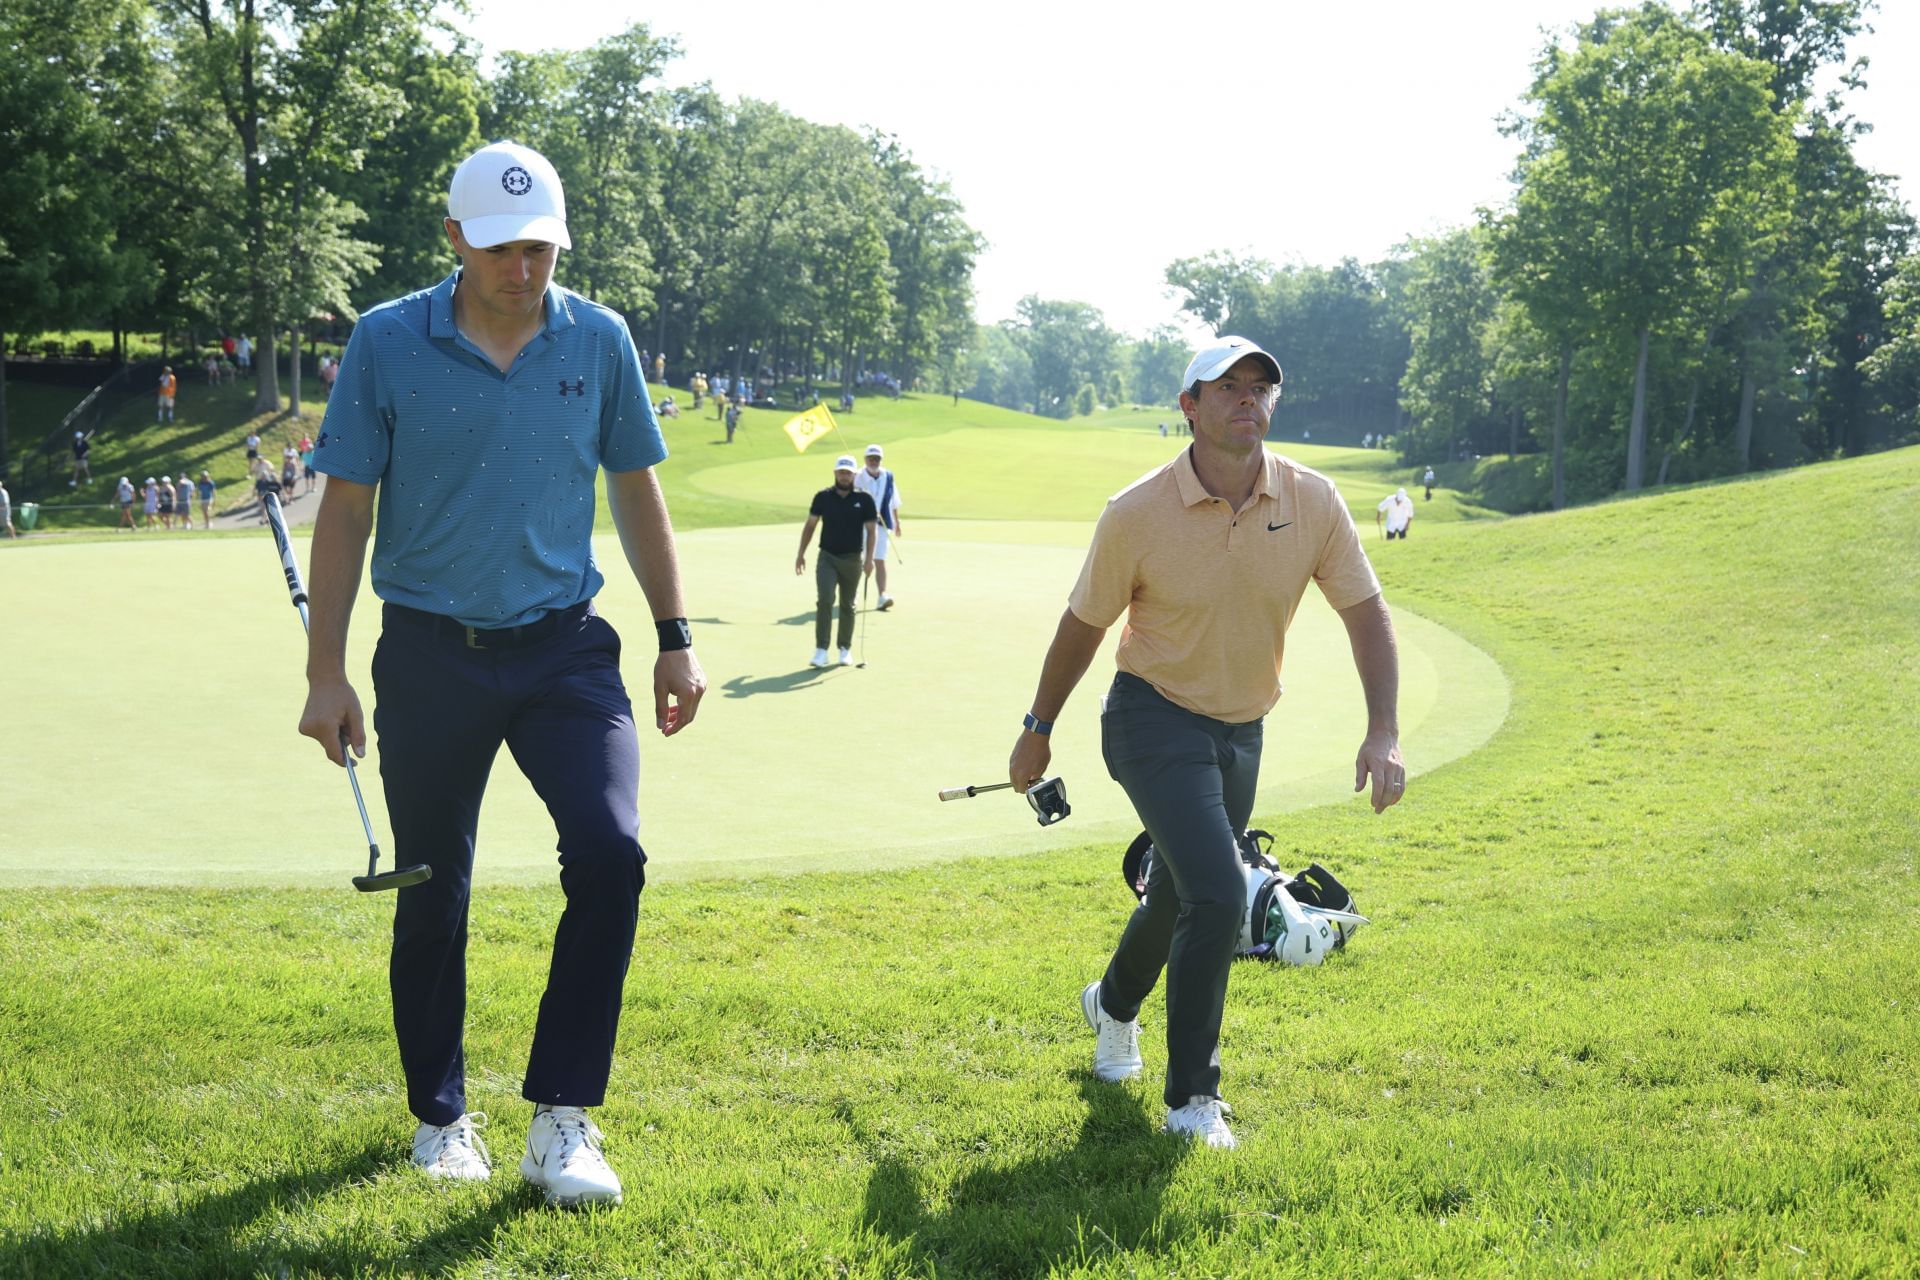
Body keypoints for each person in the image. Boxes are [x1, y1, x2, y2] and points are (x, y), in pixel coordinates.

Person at [301, 139, 705, 1209]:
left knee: (612, 852)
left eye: (540, 248)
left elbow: (636, 489)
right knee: (434, 884)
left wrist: (675, 632)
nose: (523, 269)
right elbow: (344, 509)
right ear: (453, 241)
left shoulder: (598, 337)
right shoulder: (388, 341)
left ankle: (563, 1116)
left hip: (565, 644)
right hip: (429, 649)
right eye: (500, 249)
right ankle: (442, 1118)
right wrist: (326, 672)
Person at [1007, 336, 1405, 1150]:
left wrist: (1384, 729)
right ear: (1189, 406)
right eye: (1227, 387)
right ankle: (1192, 1100)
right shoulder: (1137, 511)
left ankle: (1111, 1006)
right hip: (1151, 719)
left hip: (1241, 729)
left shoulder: (1312, 499)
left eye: (1260, 387)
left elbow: (1365, 612)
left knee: (1181, 894)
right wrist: (1037, 729)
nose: (1246, 399)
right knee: (1221, 895)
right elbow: (1083, 627)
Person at [794, 454, 876, 668]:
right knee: (825, 600)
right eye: (841, 472)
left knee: (848, 605)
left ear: (854, 475)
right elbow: (810, 526)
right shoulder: (823, 497)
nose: (844, 476)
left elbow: (871, 531)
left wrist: (869, 560)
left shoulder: (864, 499)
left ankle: (844, 649)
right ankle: (821, 650)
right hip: (827, 557)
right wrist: (801, 553)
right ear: (835, 473)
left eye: (848, 473)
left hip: (853, 559)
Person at [852, 444, 902, 610]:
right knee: (858, 560)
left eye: (877, 458)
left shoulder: (888, 476)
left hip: (881, 525)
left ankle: (882, 596)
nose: (874, 461)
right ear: (865, 459)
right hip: (859, 524)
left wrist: (897, 522)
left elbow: (893, 500)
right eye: (871, 458)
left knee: (879, 559)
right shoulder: (857, 476)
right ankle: (852, 596)